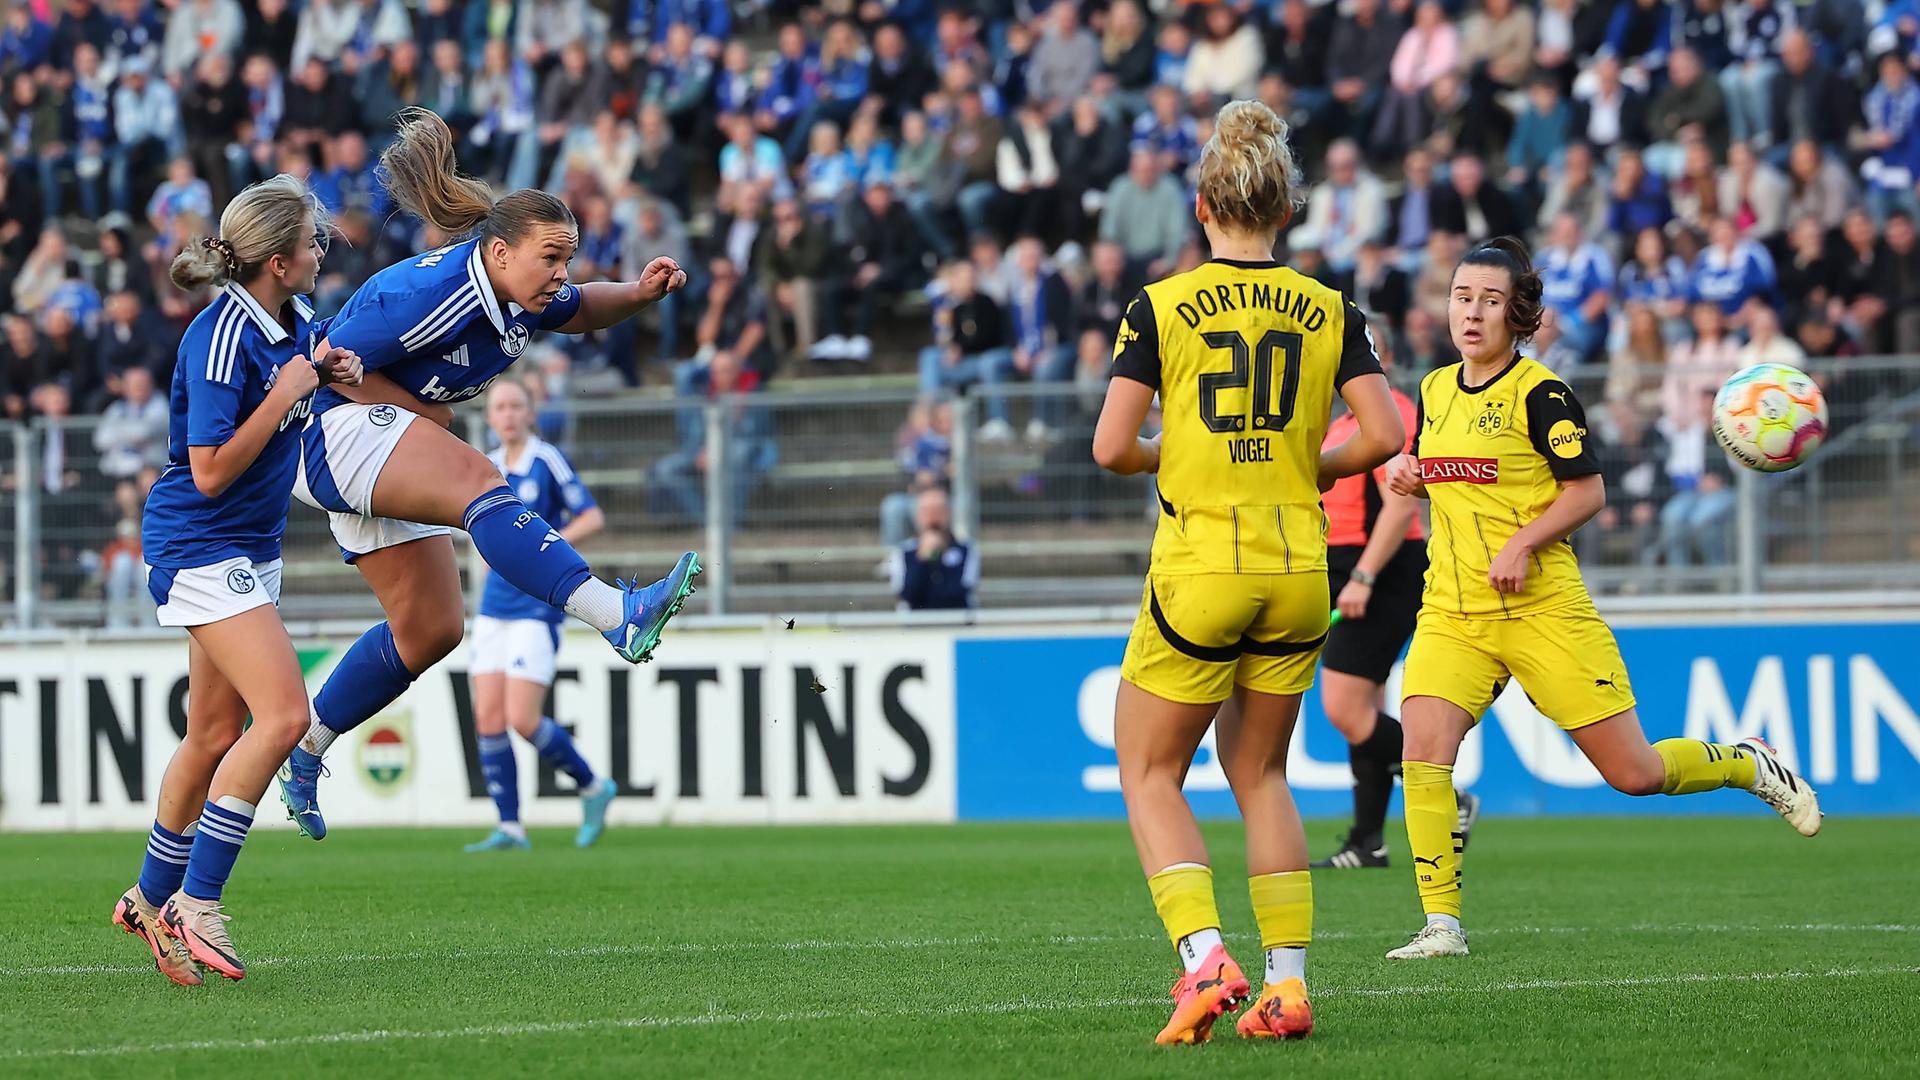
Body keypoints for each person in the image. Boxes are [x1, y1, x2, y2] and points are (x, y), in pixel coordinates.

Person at [1379, 237, 1822, 961]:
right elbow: (1453, 473)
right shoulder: (1432, 390)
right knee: (1423, 753)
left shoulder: (1543, 393)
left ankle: (1748, 762)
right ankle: (1442, 927)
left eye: (1490, 301)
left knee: (1635, 774)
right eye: (1463, 298)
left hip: (1542, 610)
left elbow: (1587, 491)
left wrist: (1522, 544)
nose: (1472, 313)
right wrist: (1413, 475)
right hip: (1452, 611)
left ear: (1517, 315)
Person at [275, 109, 699, 841]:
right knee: (480, 484)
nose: (562, 273)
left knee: (432, 629)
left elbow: (577, 308)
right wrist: (416, 414)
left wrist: (637, 293)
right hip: (323, 431)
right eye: (552, 257)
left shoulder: (517, 293)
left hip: (371, 442)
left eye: (569, 257)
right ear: (500, 252)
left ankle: (306, 750)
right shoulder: (428, 295)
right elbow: (321, 369)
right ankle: (616, 615)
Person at [1092, 99, 1404, 1044]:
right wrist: (1308, 463)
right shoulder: (1331, 307)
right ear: (1288, 209)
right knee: (1261, 772)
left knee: (1149, 771)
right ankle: (1290, 989)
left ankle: (1203, 960)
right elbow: (1386, 437)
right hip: (1300, 566)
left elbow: (1112, 447)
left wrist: (1175, 455)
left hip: (1204, 564)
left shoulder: (1162, 304)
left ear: (1200, 206)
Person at [112, 175, 361, 985]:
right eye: (313, 242)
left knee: (215, 734)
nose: (322, 252)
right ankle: (198, 901)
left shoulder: (297, 321)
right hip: (199, 542)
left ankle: (148, 898)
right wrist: (291, 388)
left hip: (248, 549)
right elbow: (212, 470)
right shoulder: (219, 336)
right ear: (279, 261)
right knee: (285, 715)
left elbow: (310, 376)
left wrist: (327, 372)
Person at [1309, 320, 1477, 871]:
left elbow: (1402, 505)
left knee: (1344, 708)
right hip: (1350, 564)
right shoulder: (1346, 421)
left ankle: (1449, 798)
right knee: (1364, 705)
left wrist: (1363, 577)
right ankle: (1367, 841)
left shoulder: (1394, 414)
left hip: (1379, 567)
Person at [464, 380, 616, 852]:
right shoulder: (484, 466)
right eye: (499, 407)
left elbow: (591, 516)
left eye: (515, 406)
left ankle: (593, 785)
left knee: (522, 719)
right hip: (493, 605)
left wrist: (543, 549)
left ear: (530, 413)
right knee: (488, 717)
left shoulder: (546, 459)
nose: (507, 415)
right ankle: (510, 826)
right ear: (489, 416)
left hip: (537, 606)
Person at [889, 485, 977, 611]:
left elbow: (958, 592)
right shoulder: (904, 552)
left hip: (956, 623)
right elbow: (907, 594)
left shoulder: (967, 549)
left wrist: (937, 556)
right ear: (918, 516)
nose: (933, 518)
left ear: (949, 513)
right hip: (917, 626)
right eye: (928, 512)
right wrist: (924, 558)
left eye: (938, 511)